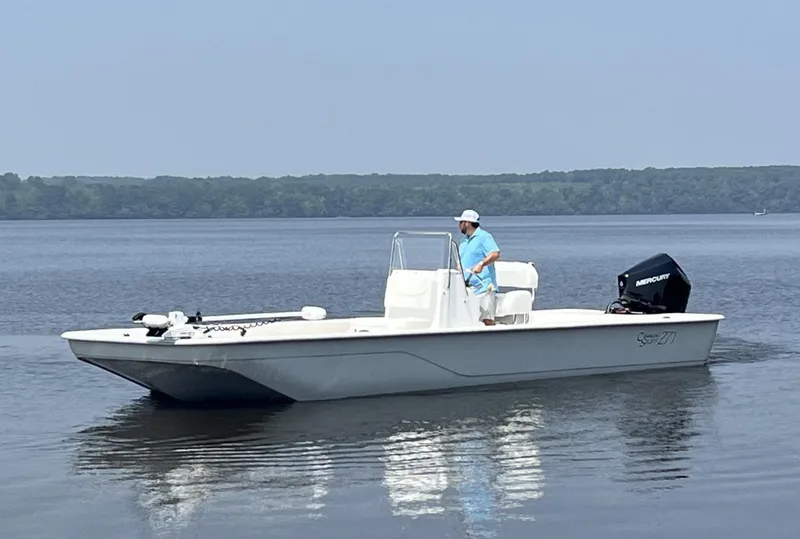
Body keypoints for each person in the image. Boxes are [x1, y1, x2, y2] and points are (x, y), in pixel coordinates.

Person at [454, 209, 501, 325]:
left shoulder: (484, 237)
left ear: (467, 223)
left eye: (461, 222)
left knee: (486, 319)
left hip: (484, 287)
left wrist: (481, 264)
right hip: (467, 289)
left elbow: (495, 253)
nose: (459, 225)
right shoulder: (464, 240)